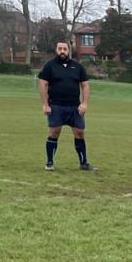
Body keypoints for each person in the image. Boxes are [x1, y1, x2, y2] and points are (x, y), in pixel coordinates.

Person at [38, 41, 95, 171]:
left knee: (79, 133)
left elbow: (85, 85)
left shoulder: (78, 67)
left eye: (65, 49)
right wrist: (45, 105)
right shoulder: (49, 66)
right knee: (54, 132)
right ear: (56, 50)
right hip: (56, 106)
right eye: (60, 48)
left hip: (74, 107)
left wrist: (84, 103)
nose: (62, 51)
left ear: (69, 51)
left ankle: (83, 163)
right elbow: (42, 84)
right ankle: (50, 162)